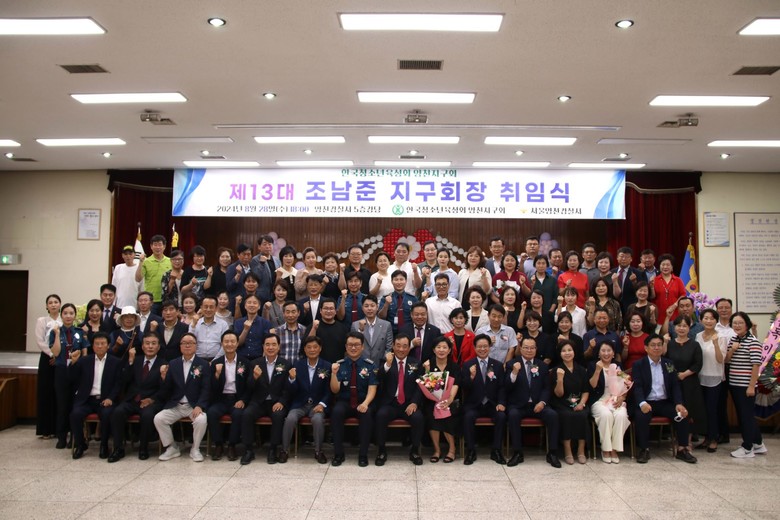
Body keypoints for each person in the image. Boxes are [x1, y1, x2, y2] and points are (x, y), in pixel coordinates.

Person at [632, 334, 696, 464]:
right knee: (641, 416)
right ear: (646, 348)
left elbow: (675, 385)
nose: (656, 348)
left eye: (659, 345)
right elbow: (637, 386)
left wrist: (678, 403)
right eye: (653, 345)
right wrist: (642, 403)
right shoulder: (639, 364)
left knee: (682, 415)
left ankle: (682, 449)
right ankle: (644, 449)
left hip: (665, 402)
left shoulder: (668, 364)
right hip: (647, 402)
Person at [109, 332, 167, 462]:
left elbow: (164, 389)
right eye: (147, 343)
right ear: (142, 346)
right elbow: (124, 380)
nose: (150, 346)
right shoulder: (136, 360)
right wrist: (130, 361)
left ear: (158, 347)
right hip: (132, 400)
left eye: (153, 343)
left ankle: (143, 448)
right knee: (117, 412)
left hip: (151, 401)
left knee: (147, 415)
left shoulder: (163, 364)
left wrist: (151, 400)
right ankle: (118, 449)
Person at [505, 337, 561, 468]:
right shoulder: (511, 364)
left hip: (538, 404)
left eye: (532, 348)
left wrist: (542, 402)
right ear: (520, 349)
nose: (529, 350)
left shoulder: (542, 366)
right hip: (518, 405)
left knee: (553, 415)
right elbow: (506, 387)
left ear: (536, 349)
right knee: (513, 415)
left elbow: (547, 388)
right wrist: (514, 373)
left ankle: (552, 453)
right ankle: (517, 453)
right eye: (526, 347)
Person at [154, 332, 211, 463]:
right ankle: (172, 447)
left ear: (196, 346)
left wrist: (200, 405)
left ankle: (195, 449)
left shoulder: (203, 364)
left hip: (193, 405)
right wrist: (163, 378)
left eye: (190, 343)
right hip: (176, 404)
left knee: (201, 420)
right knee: (159, 418)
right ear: (180, 346)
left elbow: (206, 388)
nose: (187, 345)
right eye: (184, 343)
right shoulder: (173, 364)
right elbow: (167, 389)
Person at [69, 332, 122, 460]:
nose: (99, 346)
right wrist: (73, 364)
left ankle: (104, 445)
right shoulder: (84, 361)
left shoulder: (115, 362)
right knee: (75, 414)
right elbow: (72, 379)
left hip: (105, 400)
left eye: (102, 343)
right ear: (92, 346)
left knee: (107, 414)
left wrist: (111, 398)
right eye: (96, 344)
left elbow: (118, 384)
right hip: (87, 400)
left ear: (108, 345)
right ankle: (80, 444)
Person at [329, 331, 378, 467]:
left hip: (363, 401)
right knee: (336, 412)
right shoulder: (340, 365)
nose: (353, 347)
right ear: (346, 347)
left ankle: (363, 455)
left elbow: (372, 388)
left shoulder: (370, 365)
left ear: (362, 347)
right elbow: (335, 390)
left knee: (366, 414)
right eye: (350, 345)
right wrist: (333, 374)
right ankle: (338, 454)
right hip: (345, 401)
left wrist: (365, 403)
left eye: (356, 345)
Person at [240, 333, 290, 465]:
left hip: (276, 402)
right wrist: (254, 378)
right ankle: (248, 450)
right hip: (258, 401)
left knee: (278, 416)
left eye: (273, 344)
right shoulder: (255, 363)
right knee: (247, 414)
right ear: (263, 346)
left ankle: (273, 449)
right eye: (267, 344)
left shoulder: (285, 364)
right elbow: (248, 387)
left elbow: (288, 388)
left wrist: (282, 402)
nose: (270, 347)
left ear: (279, 347)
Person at [375, 334, 425, 466]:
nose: (401, 349)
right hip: (390, 403)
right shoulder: (385, 361)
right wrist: (387, 364)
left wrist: (414, 402)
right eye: (398, 346)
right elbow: (378, 378)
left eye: (404, 346)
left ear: (409, 348)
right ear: (393, 346)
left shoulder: (416, 363)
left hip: (408, 403)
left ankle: (415, 451)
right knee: (380, 415)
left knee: (418, 418)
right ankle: (381, 451)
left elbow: (420, 385)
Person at [281, 337, 332, 464]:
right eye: (309, 347)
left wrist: (322, 404)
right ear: (304, 349)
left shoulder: (327, 366)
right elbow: (292, 391)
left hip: (317, 404)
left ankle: (318, 451)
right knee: (290, 419)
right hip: (300, 404)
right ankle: (284, 450)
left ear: (320, 349)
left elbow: (329, 390)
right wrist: (292, 379)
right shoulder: (298, 365)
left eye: (315, 347)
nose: (312, 350)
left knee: (317, 420)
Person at [726, 312, 767, 458]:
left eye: (740, 323)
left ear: (747, 324)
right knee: (745, 415)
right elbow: (726, 360)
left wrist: (751, 386)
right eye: (734, 323)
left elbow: (756, 365)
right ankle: (758, 444)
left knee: (746, 417)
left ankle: (747, 447)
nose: (737, 325)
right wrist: (732, 349)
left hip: (746, 386)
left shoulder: (753, 341)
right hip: (734, 384)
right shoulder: (733, 339)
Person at [461, 333, 507, 465]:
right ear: (475, 348)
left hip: (492, 404)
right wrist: (471, 377)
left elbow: (502, 387)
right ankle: (471, 451)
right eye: (479, 346)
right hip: (474, 404)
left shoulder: (497, 365)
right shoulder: (467, 365)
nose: (482, 349)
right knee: (468, 417)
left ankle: (496, 450)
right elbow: (464, 387)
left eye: (485, 346)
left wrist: (501, 403)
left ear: (490, 347)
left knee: (501, 416)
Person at [50, 303, 90, 448]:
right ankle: (61, 437)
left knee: (75, 405)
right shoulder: (55, 331)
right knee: (62, 405)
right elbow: (55, 352)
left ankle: (75, 437)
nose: (68, 316)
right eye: (65, 313)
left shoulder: (80, 332)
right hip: (61, 371)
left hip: (77, 371)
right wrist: (56, 334)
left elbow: (85, 354)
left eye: (71, 313)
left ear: (75, 315)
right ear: (61, 315)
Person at [207, 330, 250, 461]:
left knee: (238, 414)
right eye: (226, 341)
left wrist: (243, 400)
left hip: (237, 398)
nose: (229, 344)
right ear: (222, 344)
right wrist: (216, 375)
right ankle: (218, 445)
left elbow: (250, 386)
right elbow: (212, 388)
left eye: (232, 341)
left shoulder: (245, 362)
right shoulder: (216, 363)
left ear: (237, 344)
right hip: (221, 399)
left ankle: (232, 445)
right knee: (211, 413)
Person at [665, 315, 707, 446]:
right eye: (679, 325)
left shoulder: (695, 344)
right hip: (674, 382)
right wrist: (674, 374)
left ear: (689, 328)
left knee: (689, 412)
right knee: (676, 410)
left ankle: (687, 442)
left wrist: (684, 374)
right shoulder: (670, 344)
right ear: (674, 327)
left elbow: (698, 364)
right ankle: (677, 439)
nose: (681, 328)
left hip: (690, 382)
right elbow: (667, 362)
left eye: (684, 326)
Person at [588, 341, 630, 463]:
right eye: (603, 350)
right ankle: (606, 449)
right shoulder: (593, 365)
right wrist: (597, 370)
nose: (606, 353)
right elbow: (592, 386)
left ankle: (614, 449)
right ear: (598, 353)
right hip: (599, 400)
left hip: (616, 399)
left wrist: (622, 398)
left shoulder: (617, 366)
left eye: (609, 351)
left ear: (613, 353)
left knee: (621, 415)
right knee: (606, 415)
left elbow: (626, 383)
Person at [551, 339, 590, 464]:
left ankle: (581, 450)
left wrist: (581, 404)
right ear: (560, 353)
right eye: (564, 351)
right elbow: (558, 394)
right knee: (566, 415)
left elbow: (586, 391)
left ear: (574, 352)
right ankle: (567, 450)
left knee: (582, 415)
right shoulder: (556, 370)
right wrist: (560, 379)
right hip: (562, 403)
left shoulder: (582, 370)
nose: (567, 353)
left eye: (569, 350)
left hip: (579, 402)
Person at [422, 336, 460, 463]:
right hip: (431, 400)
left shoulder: (454, 366)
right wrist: (427, 371)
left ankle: (452, 450)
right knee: (431, 414)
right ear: (434, 350)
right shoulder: (428, 364)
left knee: (446, 413)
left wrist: (449, 400)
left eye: (444, 347)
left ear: (449, 350)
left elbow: (455, 385)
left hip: (449, 401)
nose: (441, 350)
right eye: (438, 347)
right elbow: (426, 384)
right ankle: (437, 450)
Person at [695, 309, 727, 453]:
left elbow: (721, 360)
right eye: (705, 318)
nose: (708, 321)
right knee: (702, 410)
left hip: (714, 377)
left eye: (712, 318)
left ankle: (714, 439)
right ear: (701, 320)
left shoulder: (721, 337)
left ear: (716, 321)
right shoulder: (698, 336)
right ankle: (706, 438)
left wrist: (715, 344)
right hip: (700, 377)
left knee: (712, 409)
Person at [35, 294, 61, 439]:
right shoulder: (42, 321)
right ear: (46, 306)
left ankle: (58, 428)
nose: (53, 304)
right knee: (45, 392)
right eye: (50, 303)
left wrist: (58, 357)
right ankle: (45, 429)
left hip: (61, 359)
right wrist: (52, 354)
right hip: (47, 358)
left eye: (56, 302)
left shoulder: (64, 319)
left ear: (60, 304)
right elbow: (40, 341)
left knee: (59, 393)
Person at [135, 234, 172, 315]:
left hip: (166, 300)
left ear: (164, 246)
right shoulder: (146, 261)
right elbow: (138, 279)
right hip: (151, 301)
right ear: (151, 246)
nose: (157, 247)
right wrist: (140, 262)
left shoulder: (170, 261)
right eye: (155, 245)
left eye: (160, 245)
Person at [352, 295, 393, 366]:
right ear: (362, 308)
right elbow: (353, 345)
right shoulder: (355, 325)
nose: (369, 308)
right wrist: (360, 330)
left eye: (372, 305)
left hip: (380, 364)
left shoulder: (386, 325)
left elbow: (388, 348)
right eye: (366, 306)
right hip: (361, 364)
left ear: (377, 307)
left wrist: (383, 363)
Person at [234, 294, 273, 361]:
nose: (252, 305)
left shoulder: (265, 323)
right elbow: (237, 343)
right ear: (245, 306)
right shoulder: (238, 322)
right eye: (249, 303)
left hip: (259, 358)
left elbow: (267, 343)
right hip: (241, 358)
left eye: (255, 303)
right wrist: (245, 330)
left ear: (259, 306)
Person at [190, 295, 229, 361]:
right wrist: (193, 325)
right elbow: (189, 341)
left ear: (216, 308)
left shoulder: (223, 324)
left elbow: (225, 345)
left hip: (217, 360)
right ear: (201, 308)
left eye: (211, 307)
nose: (208, 309)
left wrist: (215, 361)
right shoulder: (195, 323)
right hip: (197, 359)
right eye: (205, 307)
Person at [611, 246, 648, 315]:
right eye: (621, 256)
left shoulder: (638, 273)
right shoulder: (611, 272)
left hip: (631, 308)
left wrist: (634, 282)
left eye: (627, 257)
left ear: (631, 259)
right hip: (614, 308)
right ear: (617, 257)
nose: (624, 259)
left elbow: (642, 291)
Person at [652, 254, 687, 323]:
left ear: (672, 267)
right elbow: (652, 297)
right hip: (659, 314)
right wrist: (651, 287)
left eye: (668, 265)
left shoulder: (678, 280)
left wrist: (675, 305)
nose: (665, 267)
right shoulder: (654, 280)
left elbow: (683, 295)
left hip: (675, 313)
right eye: (663, 265)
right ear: (659, 266)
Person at [251, 234, 282, 303]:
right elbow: (255, 277)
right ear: (259, 247)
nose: (267, 246)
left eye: (270, 244)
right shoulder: (255, 260)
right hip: (261, 296)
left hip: (275, 295)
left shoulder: (277, 260)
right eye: (264, 244)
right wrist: (261, 263)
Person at [226, 243, 252, 308]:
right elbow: (229, 287)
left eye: (248, 254)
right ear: (238, 255)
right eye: (244, 254)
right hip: (236, 303)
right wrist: (238, 275)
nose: (246, 257)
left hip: (251, 303)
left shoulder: (254, 267)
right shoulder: (231, 268)